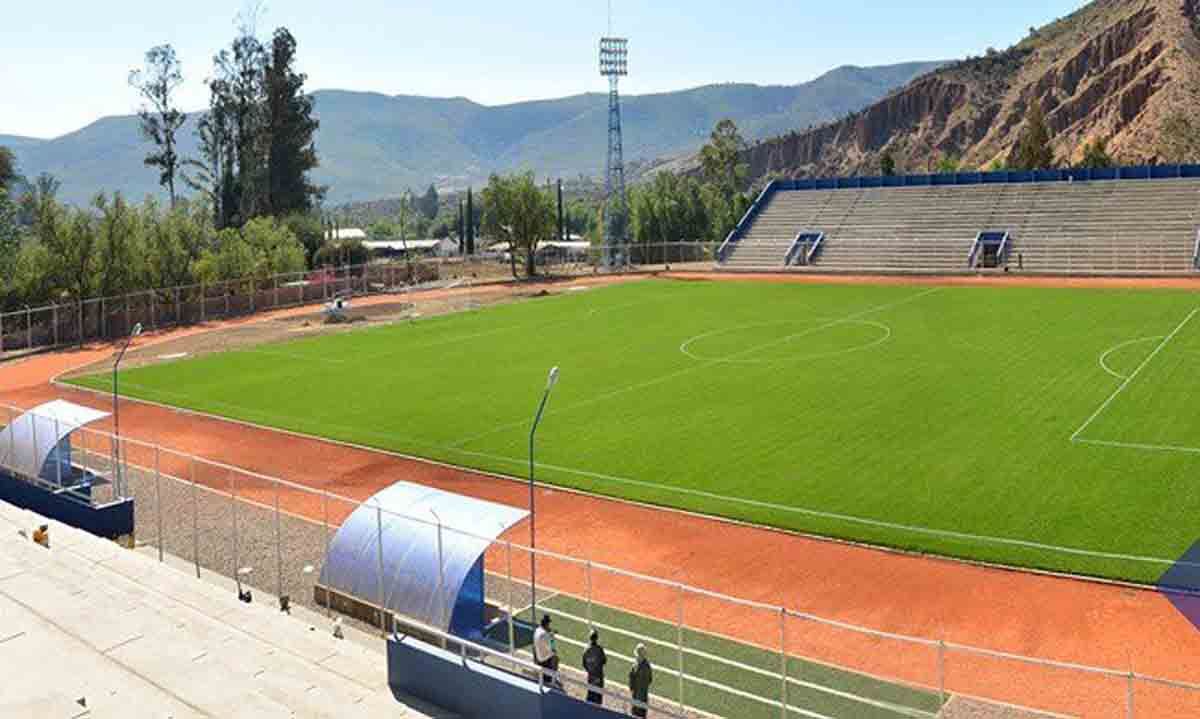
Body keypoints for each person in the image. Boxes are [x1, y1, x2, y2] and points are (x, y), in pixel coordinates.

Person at [533, 614, 561, 689]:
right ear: (546, 624)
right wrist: (552, 637)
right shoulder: (544, 634)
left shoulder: (537, 630)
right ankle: (553, 680)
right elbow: (552, 648)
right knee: (556, 658)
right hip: (543, 659)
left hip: (538, 656)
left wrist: (550, 633)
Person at [582, 629, 607, 704]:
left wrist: (589, 670)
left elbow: (584, 664)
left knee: (590, 694)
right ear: (597, 638)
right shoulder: (599, 649)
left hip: (591, 676)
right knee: (598, 696)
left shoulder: (586, 650)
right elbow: (604, 661)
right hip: (599, 676)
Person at [628, 643, 652, 718]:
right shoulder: (647, 666)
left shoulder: (635, 665)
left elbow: (631, 679)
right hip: (643, 696)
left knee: (635, 714)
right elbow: (650, 680)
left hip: (637, 696)